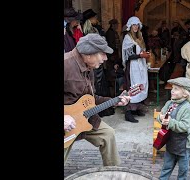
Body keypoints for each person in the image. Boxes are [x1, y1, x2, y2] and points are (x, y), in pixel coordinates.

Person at [64, 33, 131, 166]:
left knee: (108, 134)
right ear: (88, 54)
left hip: (84, 119)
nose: (105, 58)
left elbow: (90, 99)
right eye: (102, 54)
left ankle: (113, 172)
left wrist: (114, 101)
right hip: (66, 124)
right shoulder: (66, 64)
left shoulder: (89, 67)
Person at [157, 77, 190, 180]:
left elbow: (184, 126)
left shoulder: (188, 108)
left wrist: (170, 122)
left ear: (185, 93)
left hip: (183, 145)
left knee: (183, 170)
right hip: (171, 141)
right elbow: (161, 115)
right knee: (166, 168)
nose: (172, 91)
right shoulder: (169, 103)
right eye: (172, 88)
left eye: (176, 89)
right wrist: (160, 118)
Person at [122, 16, 151, 123]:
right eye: (134, 25)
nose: (136, 27)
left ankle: (137, 108)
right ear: (130, 26)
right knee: (133, 88)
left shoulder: (140, 37)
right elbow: (128, 56)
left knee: (141, 86)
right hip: (133, 66)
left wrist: (145, 55)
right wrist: (141, 56)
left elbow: (140, 51)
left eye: (137, 25)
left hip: (141, 65)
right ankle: (128, 113)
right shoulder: (127, 38)